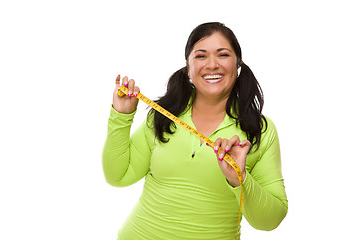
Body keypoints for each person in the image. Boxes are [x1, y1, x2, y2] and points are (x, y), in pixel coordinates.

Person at [102, 22, 288, 240]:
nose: (212, 64)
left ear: (238, 64)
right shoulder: (162, 116)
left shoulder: (260, 131)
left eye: (223, 55)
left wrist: (240, 178)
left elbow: (270, 221)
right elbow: (118, 176)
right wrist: (121, 117)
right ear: (188, 67)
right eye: (200, 56)